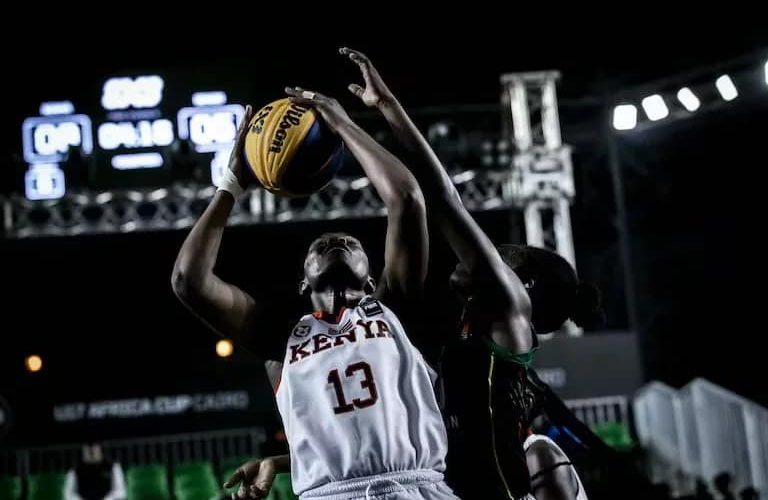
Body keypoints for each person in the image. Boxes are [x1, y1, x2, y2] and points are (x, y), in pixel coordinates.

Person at [339, 47, 602, 500]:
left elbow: (442, 198)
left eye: (505, 256)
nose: (489, 253)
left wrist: (381, 110)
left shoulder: (511, 313)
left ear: (524, 285)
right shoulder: (472, 338)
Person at [173, 95, 457, 500]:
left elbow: (407, 198)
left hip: (418, 485)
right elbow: (189, 280)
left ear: (373, 281)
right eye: (319, 245)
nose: (336, 241)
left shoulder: (396, 309)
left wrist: (341, 125)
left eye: (350, 243)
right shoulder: (281, 339)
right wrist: (231, 183)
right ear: (303, 284)